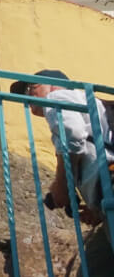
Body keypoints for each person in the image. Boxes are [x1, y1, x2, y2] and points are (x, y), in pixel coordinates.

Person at [10, 68, 113, 225]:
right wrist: (97, 210)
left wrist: (62, 185)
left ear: (54, 85)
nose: (27, 96)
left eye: (31, 87)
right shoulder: (86, 101)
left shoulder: (56, 97)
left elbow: (73, 135)